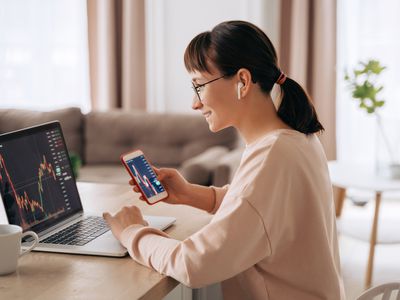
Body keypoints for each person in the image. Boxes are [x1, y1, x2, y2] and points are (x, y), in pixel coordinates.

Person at [103, 20, 345, 299]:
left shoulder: (272, 157)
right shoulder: (296, 138)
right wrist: (191, 194)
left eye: (199, 86)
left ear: (242, 81)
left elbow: (193, 264)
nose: (195, 103)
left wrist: (132, 232)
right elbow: (261, 211)